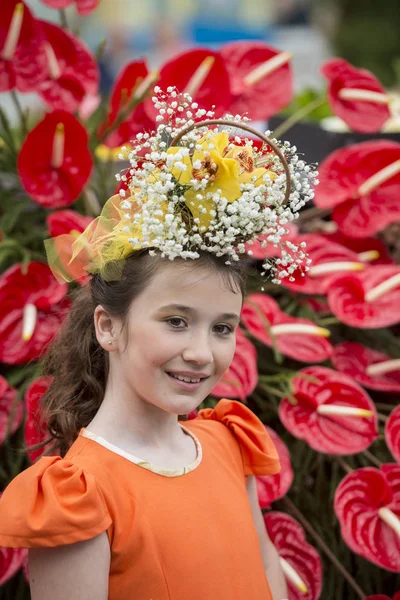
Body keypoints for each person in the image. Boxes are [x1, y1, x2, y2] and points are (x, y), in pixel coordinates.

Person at [0, 89, 315, 600]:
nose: (201, 352)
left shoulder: (230, 446)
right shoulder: (79, 494)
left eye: (222, 328)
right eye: (175, 321)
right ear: (108, 327)